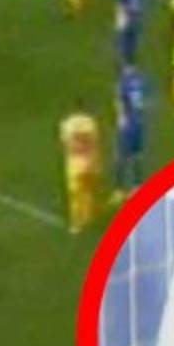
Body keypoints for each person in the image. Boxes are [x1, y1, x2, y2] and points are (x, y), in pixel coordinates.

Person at [60, 98, 102, 234]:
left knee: (75, 194)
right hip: (89, 160)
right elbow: (95, 141)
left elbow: (65, 142)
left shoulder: (67, 123)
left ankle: (77, 224)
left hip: (75, 161)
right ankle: (88, 217)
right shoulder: (90, 123)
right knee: (89, 190)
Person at [111, 63, 149, 204]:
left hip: (128, 123)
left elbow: (120, 103)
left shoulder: (123, 83)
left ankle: (119, 190)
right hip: (139, 121)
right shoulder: (139, 81)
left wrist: (121, 120)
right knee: (137, 155)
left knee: (120, 156)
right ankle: (137, 186)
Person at [114, 0, 149, 66]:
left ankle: (124, 61)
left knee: (124, 37)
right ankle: (129, 60)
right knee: (132, 37)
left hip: (126, 13)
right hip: (136, 13)